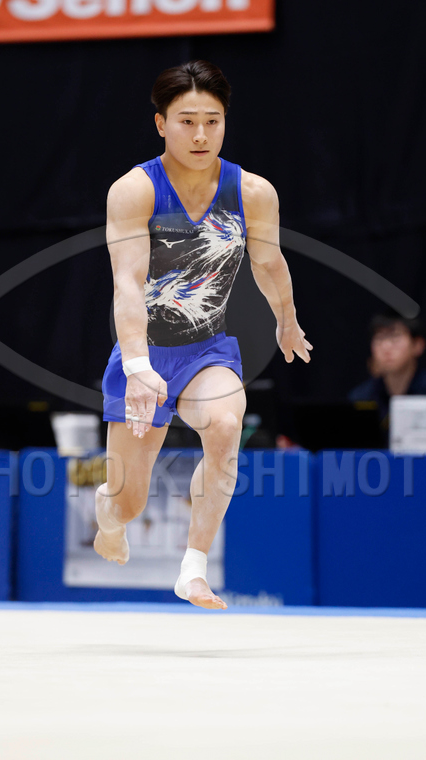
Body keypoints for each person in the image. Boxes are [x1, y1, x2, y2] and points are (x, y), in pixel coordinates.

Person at [94, 60, 312, 610]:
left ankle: (193, 568)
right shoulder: (134, 191)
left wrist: (286, 319)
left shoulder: (252, 192)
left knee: (225, 425)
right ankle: (108, 514)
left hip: (207, 351)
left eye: (212, 121)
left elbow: (269, 264)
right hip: (143, 353)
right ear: (161, 124)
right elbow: (128, 283)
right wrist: (138, 367)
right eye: (187, 121)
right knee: (129, 502)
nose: (200, 135)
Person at [349, 311, 426, 426]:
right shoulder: (362, 397)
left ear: (418, 345)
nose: (386, 347)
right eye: (379, 339)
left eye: (395, 338)